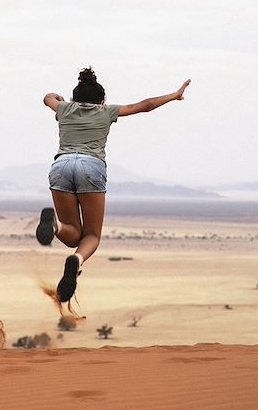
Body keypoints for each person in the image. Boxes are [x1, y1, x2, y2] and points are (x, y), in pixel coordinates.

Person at [37, 67, 190, 303]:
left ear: (75, 98)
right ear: (101, 100)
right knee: (91, 236)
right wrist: (174, 95)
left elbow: (48, 97)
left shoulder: (64, 109)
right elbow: (145, 105)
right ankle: (77, 261)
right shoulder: (106, 111)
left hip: (62, 166)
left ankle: (55, 226)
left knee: (71, 232)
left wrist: (62, 100)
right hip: (91, 167)